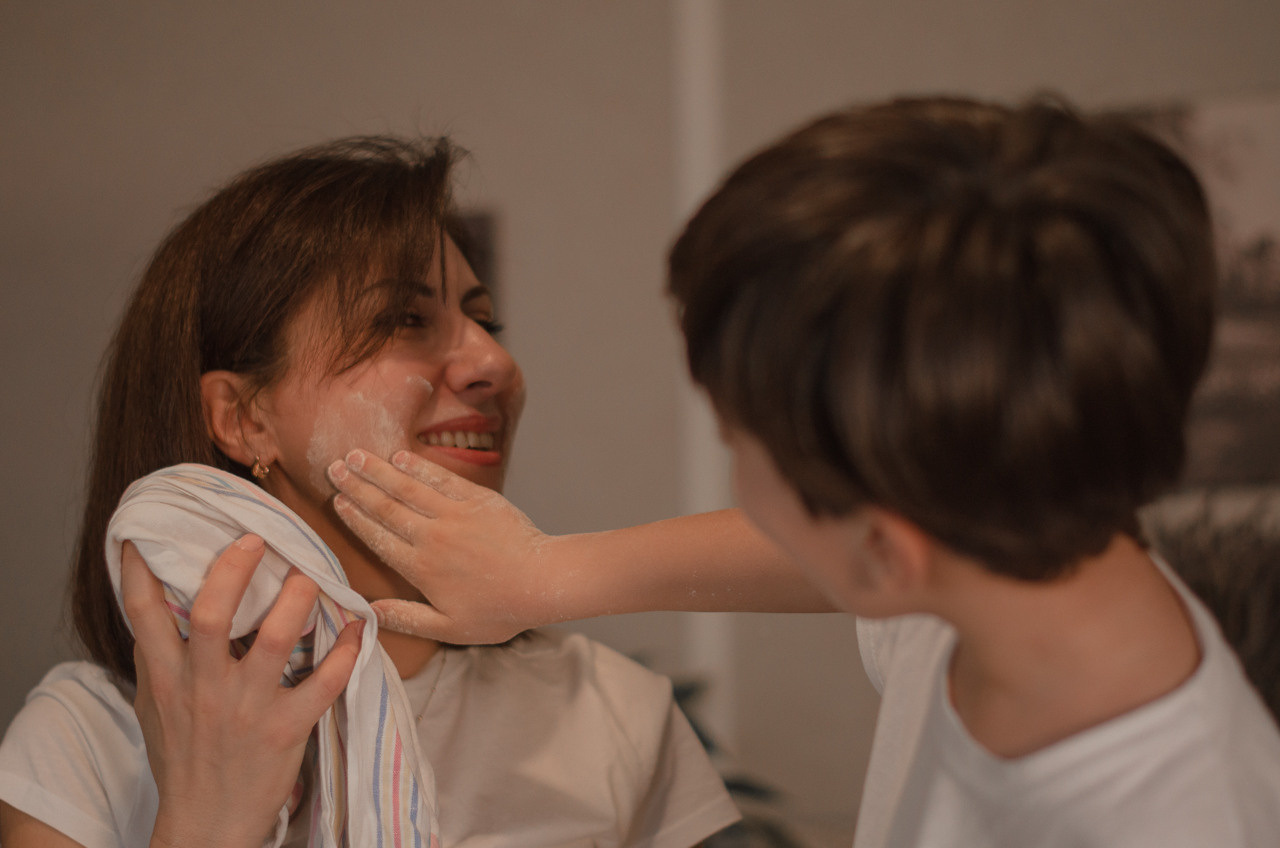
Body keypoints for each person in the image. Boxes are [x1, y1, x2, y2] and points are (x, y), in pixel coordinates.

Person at [317, 97, 1280, 846]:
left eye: (742, 447)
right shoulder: (1002, 551)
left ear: (885, 547)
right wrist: (547, 573)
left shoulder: (1179, 816)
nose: (486, 361)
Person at [0, 136, 741, 848]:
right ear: (244, 418)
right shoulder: (87, 742)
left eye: (486, 321)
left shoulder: (612, 713)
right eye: (405, 320)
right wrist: (204, 825)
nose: (493, 361)